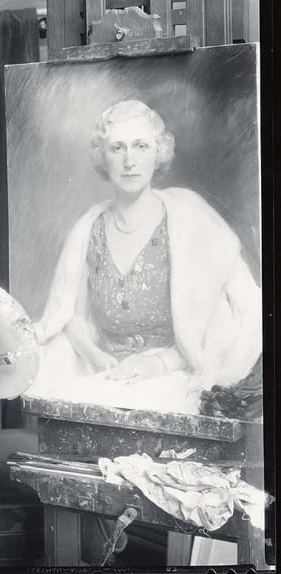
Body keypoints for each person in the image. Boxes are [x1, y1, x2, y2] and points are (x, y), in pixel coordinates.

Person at [32, 100, 261, 411]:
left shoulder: (189, 220)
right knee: (67, 393)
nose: (130, 161)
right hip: (107, 374)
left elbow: (218, 322)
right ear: (103, 156)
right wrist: (95, 356)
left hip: (176, 375)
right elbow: (72, 315)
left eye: (141, 146)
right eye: (117, 148)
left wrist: (159, 364)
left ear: (159, 153)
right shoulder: (90, 229)